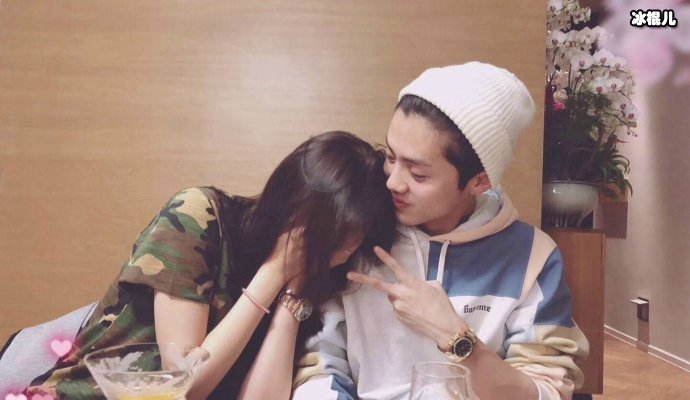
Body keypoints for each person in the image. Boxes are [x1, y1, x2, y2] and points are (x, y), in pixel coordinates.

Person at [292, 62, 590, 400]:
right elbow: (319, 365)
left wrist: (455, 336)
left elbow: (547, 392)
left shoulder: (532, 257)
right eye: (391, 157)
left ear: (480, 181)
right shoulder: (357, 233)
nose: (393, 182)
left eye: (418, 174)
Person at [24, 131, 397, 400]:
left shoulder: (319, 278)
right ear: (293, 210)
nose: (341, 257)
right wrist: (272, 273)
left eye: (352, 244)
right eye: (336, 242)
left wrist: (292, 296)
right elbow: (183, 385)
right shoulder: (199, 216)